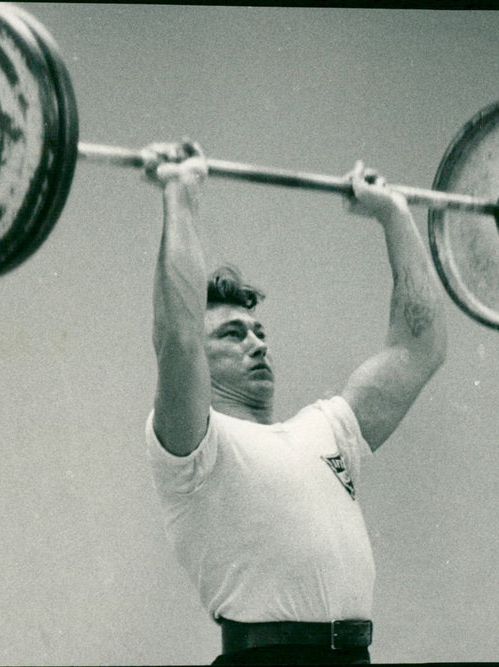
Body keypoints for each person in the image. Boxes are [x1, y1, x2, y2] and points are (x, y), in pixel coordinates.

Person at [142, 140, 447, 665]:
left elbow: (419, 348)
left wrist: (393, 216)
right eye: (234, 334)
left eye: (259, 331)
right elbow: (179, 335)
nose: (257, 342)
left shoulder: (328, 431)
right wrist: (181, 195)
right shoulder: (194, 444)